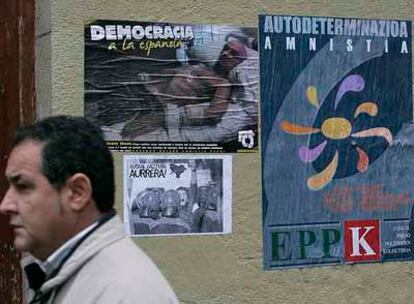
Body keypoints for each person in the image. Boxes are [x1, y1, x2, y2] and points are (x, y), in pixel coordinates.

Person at [0, 115, 178, 304]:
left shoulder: (128, 293)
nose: (5, 205)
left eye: (23, 187)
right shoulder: (73, 274)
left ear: (77, 193)